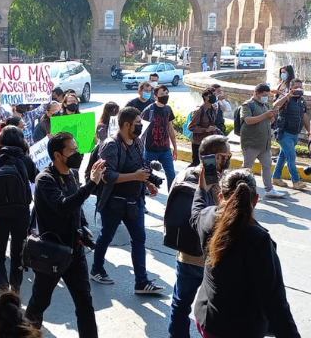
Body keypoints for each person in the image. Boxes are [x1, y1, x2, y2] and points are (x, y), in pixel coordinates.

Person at [191, 166, 301, 338]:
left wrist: (201, 189)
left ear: (220, 197)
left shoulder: (207, 218)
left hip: (208, 320)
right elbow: (274, 301)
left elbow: (196, 212)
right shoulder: (258, 240)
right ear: (256, 199)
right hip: (241, 329)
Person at [23, 131, 105, 337]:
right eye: (72, 150)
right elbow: (62, 206)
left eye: (77, 149)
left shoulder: (73, 175)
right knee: (39, 302)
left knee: (84, 302)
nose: (77, 154)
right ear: (58, 155)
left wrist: (83, 227)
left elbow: (76, 210)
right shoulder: (45, 179)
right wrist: (92, 184)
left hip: (75, 252)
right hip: (52, 253)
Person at [90, 106, 165, 293]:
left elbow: (141, 167)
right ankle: (96, 269)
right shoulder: (111, 145)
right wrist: (135, 177)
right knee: (106, 236)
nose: (141, 126)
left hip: (135, 201)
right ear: (126, 124)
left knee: (139, 239)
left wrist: (147, 183)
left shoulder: (137, 143)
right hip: (114, 202)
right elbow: (107, 176)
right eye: (138, 123)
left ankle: (141, 282)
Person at [163, 134, 230, 338]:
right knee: (216, 308)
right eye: (226, 155)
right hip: (210, 259)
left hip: (185, 254)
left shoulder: (182, 176)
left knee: (180, 304)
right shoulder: (219, 185)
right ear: (216, 157)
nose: (228, 159)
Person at [0, 125, 36, 294]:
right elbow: (38, 178)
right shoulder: (25, 160)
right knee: (17, 254)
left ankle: (3, 290)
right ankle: (16, 290)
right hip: (21, 214)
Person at [239, 83, 290, 198]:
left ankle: (269, 189)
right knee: (247, 167)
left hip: (265, 143)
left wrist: (271, 116)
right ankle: (240, 188)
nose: (266, 97)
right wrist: (265, 114)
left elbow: (270, 122)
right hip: (252, 142)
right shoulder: (248, 105)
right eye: (264, 95)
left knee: (267, 166)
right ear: (256, 93)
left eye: (267, 95)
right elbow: (248, 121)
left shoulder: (265, 105)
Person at [273, 79, 308, 190]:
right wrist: (288, 95)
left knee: (283, 156)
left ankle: (276, 177)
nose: (299, 89)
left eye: (300, 87)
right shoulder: (286, 98)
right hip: (284, 133)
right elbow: (275, 105)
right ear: (291, 88)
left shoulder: (301, 100)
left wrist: (308, 130)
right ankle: (296, 181)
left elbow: (304, 116)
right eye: (296, 87)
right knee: (291, 157)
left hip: (294, 134)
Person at [141, 84, 178, 189]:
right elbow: (142, 132)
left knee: (171, 174)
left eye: (167, 93)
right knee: (146, 174)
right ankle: (142, 195)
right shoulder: (149, 110)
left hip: (165, 149)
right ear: (155, 96)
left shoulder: (168, 109)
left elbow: (170, 129)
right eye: (162, 94)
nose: (165, 95)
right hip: (150, 150)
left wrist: (175, 148)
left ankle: (172, 198)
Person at [189, 86, 225, 163]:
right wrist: (206, 130)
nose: (214, 97)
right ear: (205, 97)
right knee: (196, 165)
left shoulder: (213, 109)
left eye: (215, 95)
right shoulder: (199, 111)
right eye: (212, 95)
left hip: (209, 143)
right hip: (199, 143)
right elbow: (191, 127)